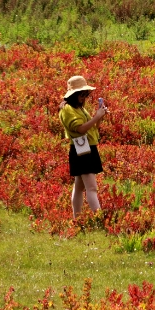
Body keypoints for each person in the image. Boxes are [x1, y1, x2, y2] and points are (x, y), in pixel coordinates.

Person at [59, 75, 108, 218]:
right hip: (82, 150)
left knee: (79, 186)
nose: (84, 97)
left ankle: (77, 217)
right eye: (82, 94)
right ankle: (99, 219)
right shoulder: (68, 110)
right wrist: (96, 117)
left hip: (86, 148)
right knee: (91, 188)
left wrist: (100, 116)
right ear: (73, 94)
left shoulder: (79, 108)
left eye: (86, 94)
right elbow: (80, 129)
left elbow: (93, 128)